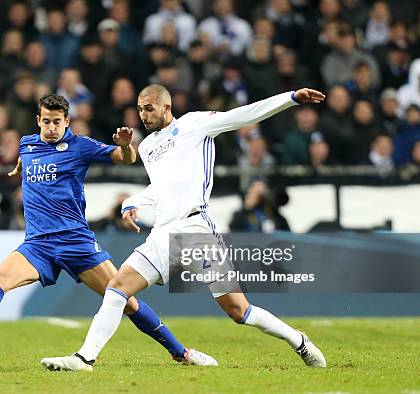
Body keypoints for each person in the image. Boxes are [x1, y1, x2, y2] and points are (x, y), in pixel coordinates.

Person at [41, 85, 327, 371]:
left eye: (149, 108)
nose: (143, 114)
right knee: (117, 287)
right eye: (140, 109)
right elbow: (161, 188)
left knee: (239, 311)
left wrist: (290, 99)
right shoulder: (147, 147)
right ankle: (84, 358)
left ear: (167, 108)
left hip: (195, 230)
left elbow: (243, 114)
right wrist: (132, 201)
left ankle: (298, 340)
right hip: (162, 233)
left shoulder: (195, 124)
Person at [0, 94, 215, 367]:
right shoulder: (27, 144)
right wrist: (21, 166)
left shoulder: (80, 146)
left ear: (67, 122)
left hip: (76, 242)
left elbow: (126, 158)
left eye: (57, 122)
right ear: (38, 121)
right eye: (46, 121)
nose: (51, 127)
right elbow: (30, 159)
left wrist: (126, 146)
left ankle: (181, 352)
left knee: (127, 300)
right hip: (37, 244)